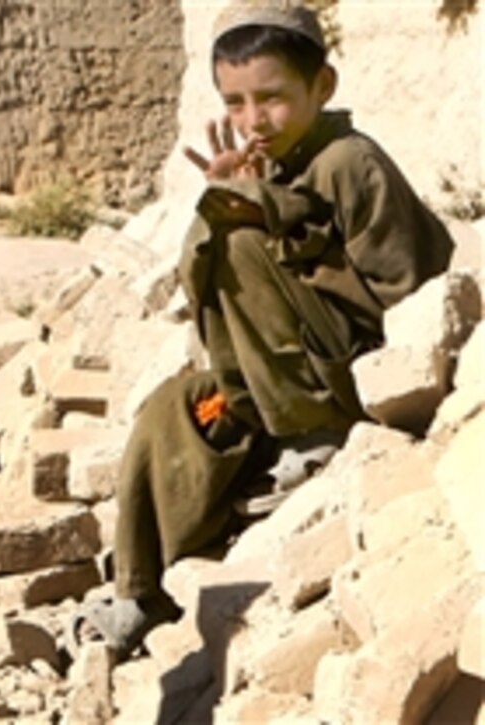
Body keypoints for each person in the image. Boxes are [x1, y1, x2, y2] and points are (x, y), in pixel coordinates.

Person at [69, 0, 454, 660]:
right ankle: (143, 589)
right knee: (175, 411)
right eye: (236, 103)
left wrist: (266, 217)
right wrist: (229, 197)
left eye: (271, 99)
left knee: (244, 246)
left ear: (321, 87)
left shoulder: (349, 162)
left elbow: (406, 300)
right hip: (264, 377)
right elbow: (201, 281)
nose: (253, 121)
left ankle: (311, 440)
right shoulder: (263, 165)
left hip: (341, 386)